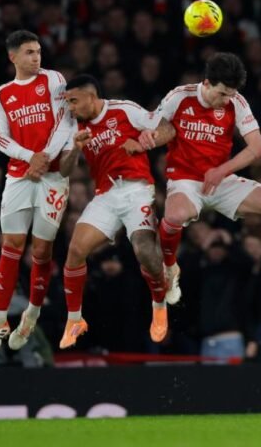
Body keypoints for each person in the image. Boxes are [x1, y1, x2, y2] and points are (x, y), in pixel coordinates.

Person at [132, 52, 261, 308]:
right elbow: (157, 127)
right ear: (207, 83)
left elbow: (257, 149)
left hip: (221, 179)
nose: (226, 100)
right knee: (175, 217)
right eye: (222, 94)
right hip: (185, 180)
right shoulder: (180, 95)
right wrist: (149, 136)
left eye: (231, 95)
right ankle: (170, 269)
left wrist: (222, 170)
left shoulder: (237, 102)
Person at [56, 75, 169, 349]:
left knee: (143, 250)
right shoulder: (74, 126)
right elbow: (64, 170)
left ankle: (159, 305)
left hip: (137, 190)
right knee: (74, 252)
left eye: (73, 101)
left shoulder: (124, 109)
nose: (70, 108)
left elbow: (167, 128)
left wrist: (146, 143)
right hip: (105, 196)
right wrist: (76, 149)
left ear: (91, 97)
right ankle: (75, 320)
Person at [0, 30, 74, 351]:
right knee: (11, 243)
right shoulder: (1, 94)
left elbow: (65, 122)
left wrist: (45, 157)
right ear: (13, 57)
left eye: (38, 51)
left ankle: (32, 314)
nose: (36, 57)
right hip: (19, 175)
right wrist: (29, 157)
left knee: (41, 251)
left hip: (52, 178)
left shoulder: (53, 80)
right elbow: (1, 138)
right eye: (28, 53)